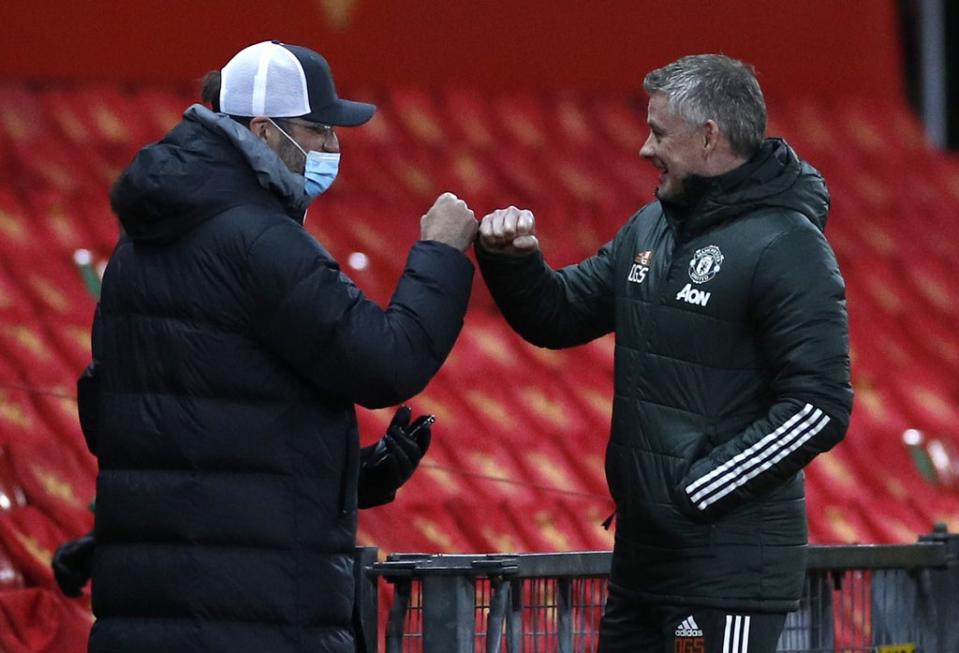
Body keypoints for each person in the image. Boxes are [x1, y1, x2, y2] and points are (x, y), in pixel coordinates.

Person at [83, 40, 477, 653]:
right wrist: (440, 256)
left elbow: (168, 433)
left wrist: (345, 478)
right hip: (247, 613)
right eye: (316, 131)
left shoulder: (138, 247)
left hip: (151, 608)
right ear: (265, 131)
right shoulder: (260, 241)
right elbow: (385, 361)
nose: (330, 149)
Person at [476, 54, 852, 652]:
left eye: (657, 132)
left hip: (726, 579)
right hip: (642, 571)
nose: (643, 149)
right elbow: (560, 314)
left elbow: (820, 406)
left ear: (709, 137)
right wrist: (512, 261)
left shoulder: (789, 246)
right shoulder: (649, 227)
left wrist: (694, 493)